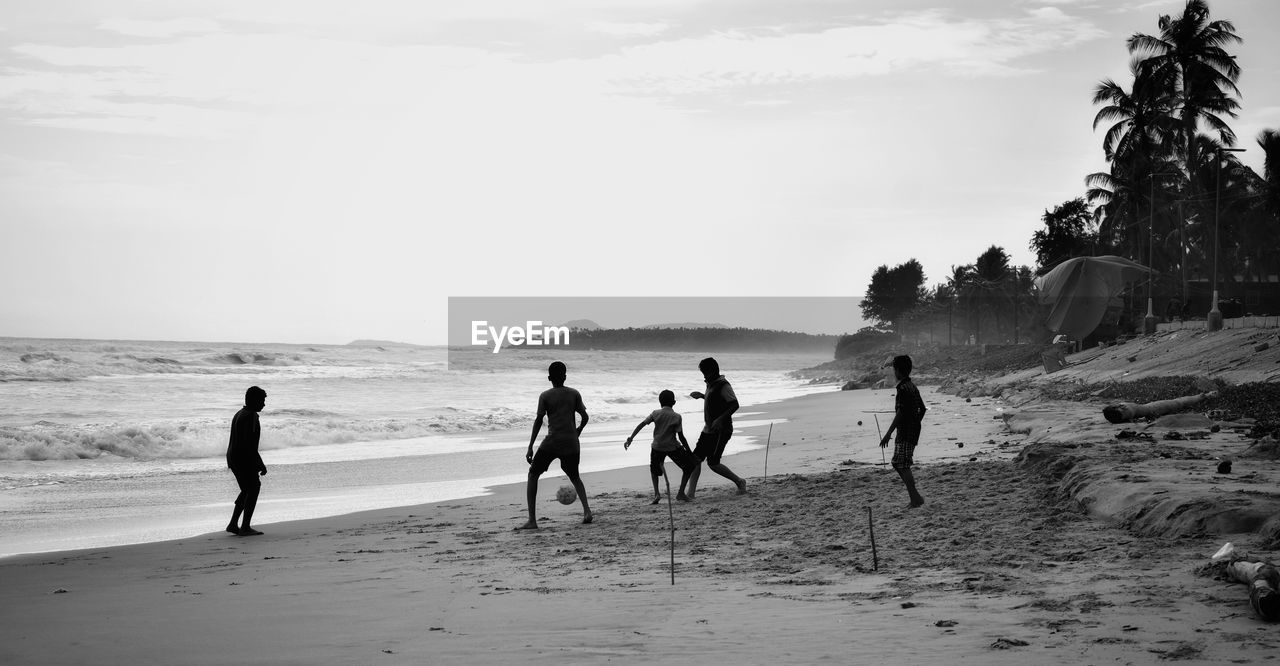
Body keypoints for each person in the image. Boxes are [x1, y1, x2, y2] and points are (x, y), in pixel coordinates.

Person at [517, 361, 593, 530]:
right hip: (571, 442)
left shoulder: (545, 396)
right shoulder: (574, 393)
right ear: (565, 377)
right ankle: (587, 512)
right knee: (575, 477)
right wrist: (578, 430)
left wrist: (530, 446)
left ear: (549, 377)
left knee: (533, 474)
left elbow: (538, 421)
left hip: (552, 442)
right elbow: (585, 417)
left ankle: (532, 520)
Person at [686, 357, 746, 498]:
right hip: (708, 429)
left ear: (713, 371)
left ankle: (739, 481)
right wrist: (702, 396)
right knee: (695, 460)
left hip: (722, 430)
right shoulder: (711, 384)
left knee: (713, 463)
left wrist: (720, 419)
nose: (704, 377)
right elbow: (715, 400)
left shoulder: (723, 385)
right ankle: (690, 494)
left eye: (705, 373)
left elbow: (734, 404)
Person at [624, 390, 697, 504]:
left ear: (660, 402)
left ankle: (657, 494)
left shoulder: (655, 413)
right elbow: (681, 437)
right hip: (672, 447)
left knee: (654, 470)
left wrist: (631, 438)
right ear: (674, 402)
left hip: (657, 447)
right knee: (689, 467)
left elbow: (642, 424)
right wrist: (689, 452)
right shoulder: (676, 417)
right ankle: (681, 492)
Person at [879, 355, 926, 508]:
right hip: (912, 429)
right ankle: (914, 496)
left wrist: (888, 434)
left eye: (894, 369)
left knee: (902, 464)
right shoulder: (912, 386)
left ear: (898, 371)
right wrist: (916, 421)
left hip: (905, 431)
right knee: (898, 463)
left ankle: (915, 498)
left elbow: (900, 413)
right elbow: (922, 409)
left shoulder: (902, 388)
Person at [226, 386, 268, 536]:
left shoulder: (239, 413)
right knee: (254, 487)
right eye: (262, 400)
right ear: (254, 400)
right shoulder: (251, 416)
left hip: (233, 457)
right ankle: (245, 527)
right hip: (243, 458)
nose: (264, 404)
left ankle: (233, 524)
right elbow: (249, 444)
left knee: (246, 489)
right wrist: (260, 463)